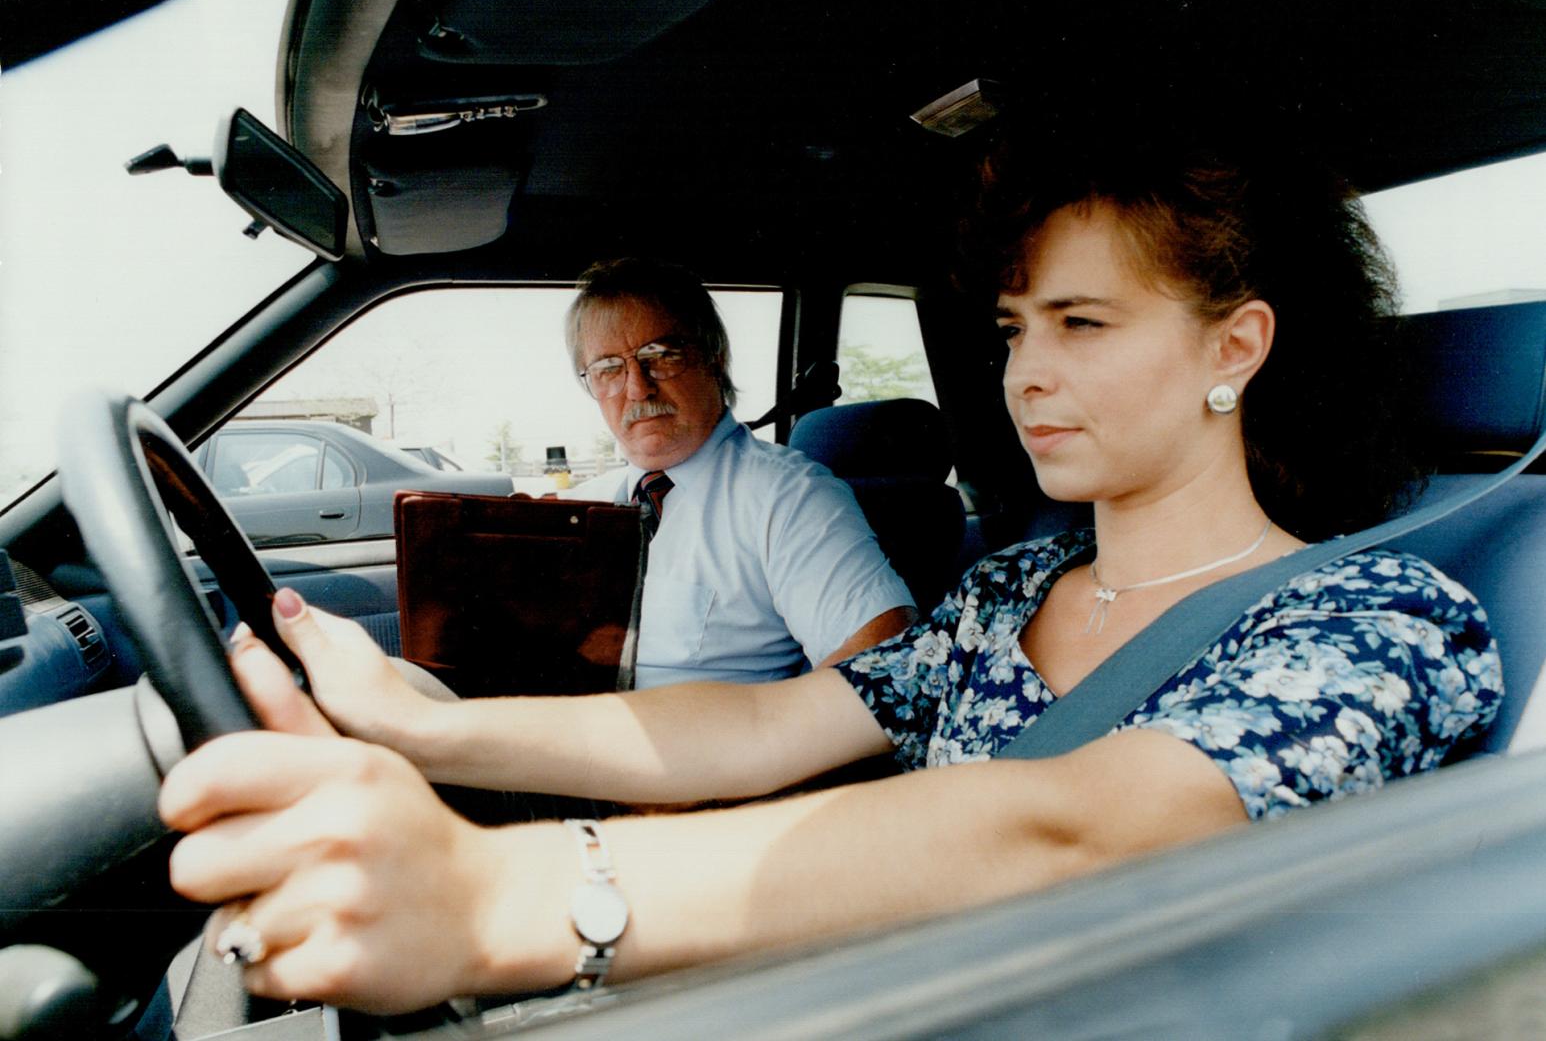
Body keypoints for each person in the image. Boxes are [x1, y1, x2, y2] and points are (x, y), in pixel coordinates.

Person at [159, 130, 1501, 1014]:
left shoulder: (1373, 622)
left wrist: (500, 897)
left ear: (1233, 348)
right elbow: (754, 723)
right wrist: (428, 725)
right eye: (1012, 329)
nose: (1025, 372)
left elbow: (1076, 826)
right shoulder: (1006, 594)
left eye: (1082, 324)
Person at [559, 257, 915, 687]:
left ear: (714, 358)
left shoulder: (787, 496)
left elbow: (883, 660)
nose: (637, 388)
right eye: (609, 369)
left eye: (662, 356)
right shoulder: (578, 507)